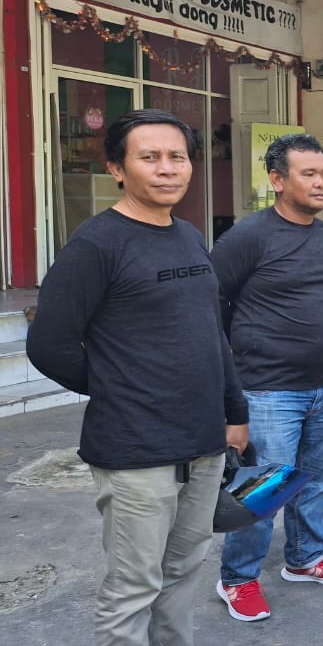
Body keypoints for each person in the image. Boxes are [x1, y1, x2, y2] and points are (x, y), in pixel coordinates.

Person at [26, 109, 249, 646]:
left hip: (203, 443)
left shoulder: (189, 237)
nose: (167, 168)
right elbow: (49, 345)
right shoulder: (97, 245)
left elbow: (211, 333)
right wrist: (121, 387)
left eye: (178, 157)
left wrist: (234, 413)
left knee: (183, 572)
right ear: (117, 169)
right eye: (149, 157)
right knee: (134, 586)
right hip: (135, 449)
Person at [211, 134, 323, 622]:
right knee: (262, 491)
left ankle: (305, 558)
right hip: (268, 390)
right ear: (277, 180)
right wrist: (228, 378)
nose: (320, 183)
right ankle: (237, 579)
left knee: (316, 482)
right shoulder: (248, 237)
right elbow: (211, 303)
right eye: (308, 174)